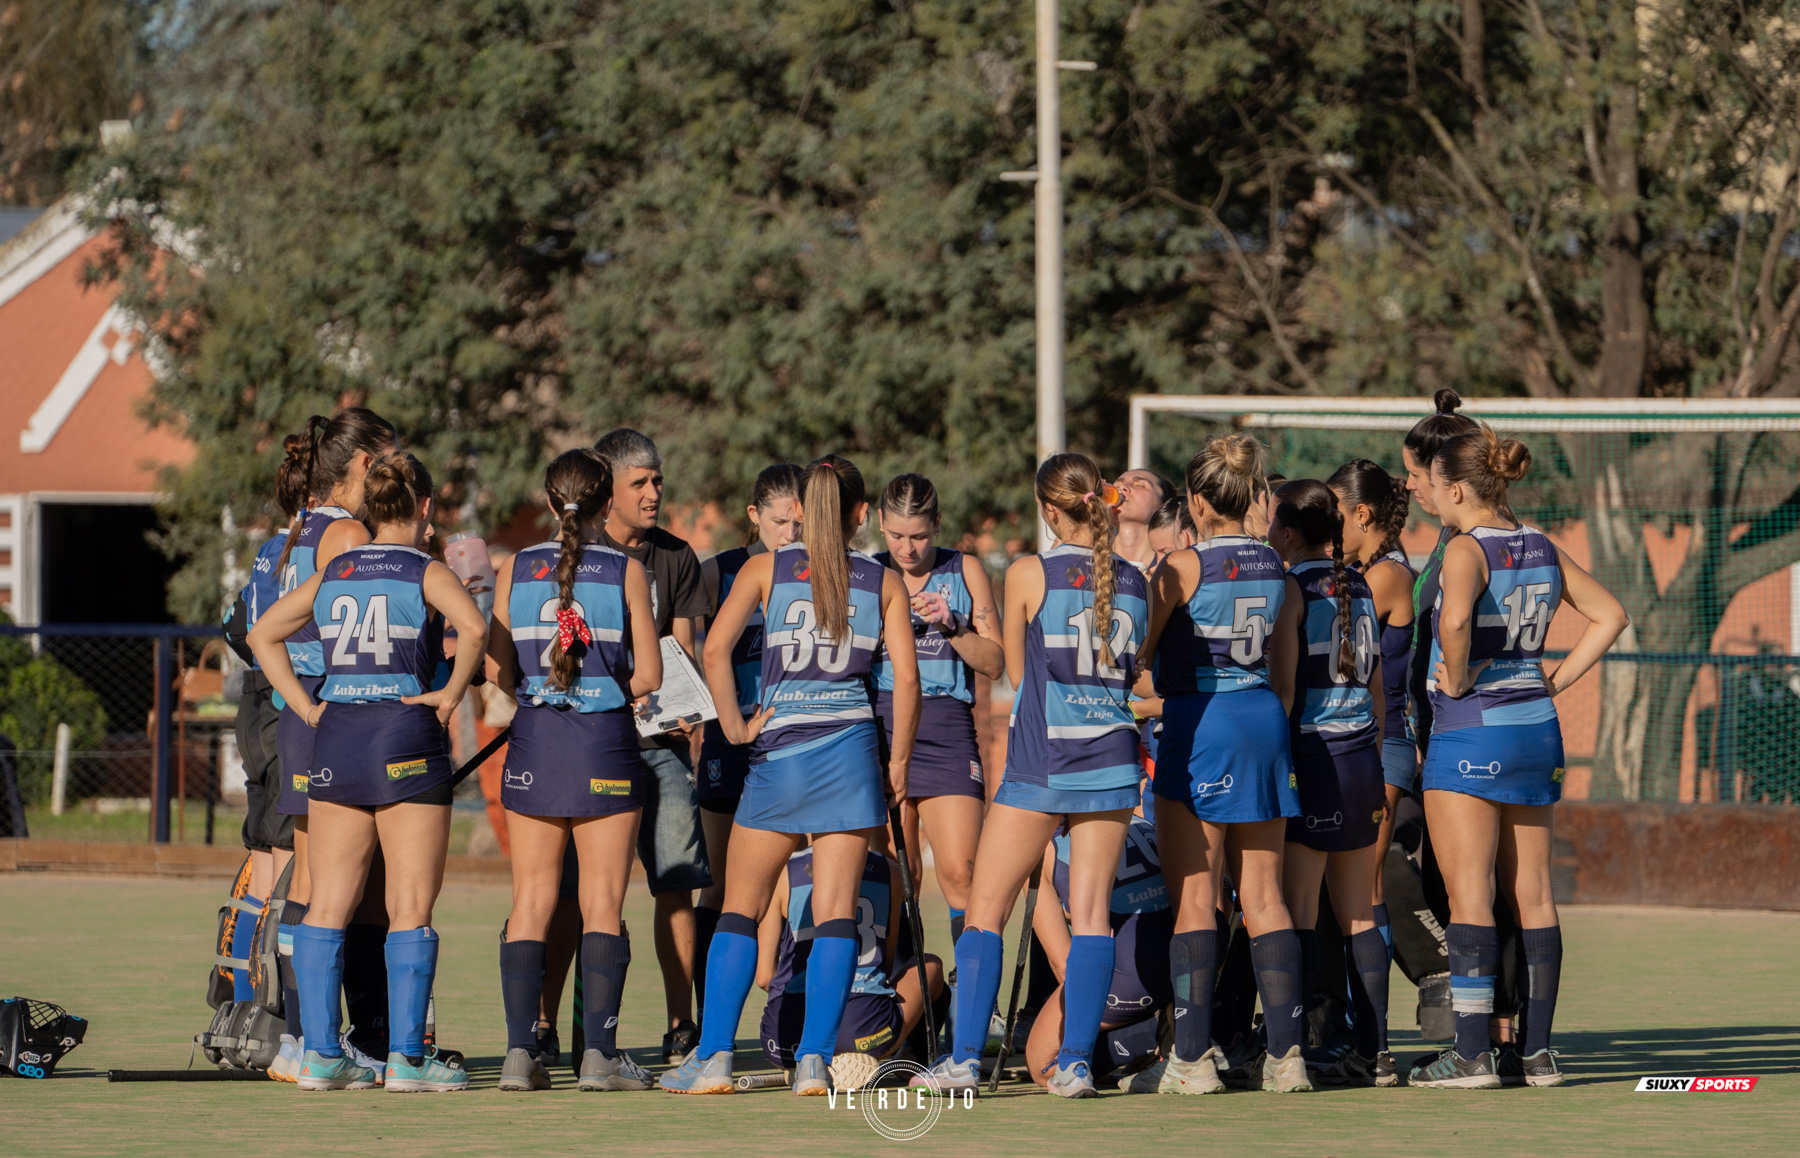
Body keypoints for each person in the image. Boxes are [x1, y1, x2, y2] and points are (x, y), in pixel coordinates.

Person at [663, 454, 920, 1096]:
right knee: (835, 915)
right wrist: (897, 763)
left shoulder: (765, 568)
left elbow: (714, 649)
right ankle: (812, 1061)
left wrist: (734, 727)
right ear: (862, 513)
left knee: (740, 909)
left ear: (800, 509)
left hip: (779, 757)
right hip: (851, 755)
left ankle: (715, 1057)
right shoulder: (883, 581)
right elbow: (908, 682)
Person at [249, 453, 488, 1093]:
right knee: (409, 906)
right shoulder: (425, 569)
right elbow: (472, 627)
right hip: (403, 737)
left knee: (327, 903)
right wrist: (449, 696)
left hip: (337, 737)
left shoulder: (338, 569)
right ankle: (408, 1058)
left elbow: (263, 634)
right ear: (425, 507)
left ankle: (321, 1054)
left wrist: (305, 706)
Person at [915, 453, 1149, 1099]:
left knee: (986, 909)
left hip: (1044, 761)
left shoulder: (1027, 572)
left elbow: (1016, 675)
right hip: (1112, 761)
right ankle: (1075, 1064)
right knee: (1093, 915)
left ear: (1049, 510)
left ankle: (964, 1060)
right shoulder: (1134, 578)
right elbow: (1135, 674)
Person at [1409, 427, 1628, 1089]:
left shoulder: (1465, 548)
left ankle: (1471, 1054)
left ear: (1456, 489)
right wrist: (1553, 682)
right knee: (1533, 893)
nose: (1428, 497)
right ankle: (1536, 1054)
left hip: (1472, 730)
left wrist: (1456, 679)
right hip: (1537, 729)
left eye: (1433, 485)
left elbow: (1454, 623)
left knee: (1470, 894)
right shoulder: (1541, 545)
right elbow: (1611, 616)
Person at [1137, 434, 1310, 1095]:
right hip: (1263, 720)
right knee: (1264, 897)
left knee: (1196, 897)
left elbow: (1139, 654)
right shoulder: (1278, 568)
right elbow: (1285, 677)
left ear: (1199, 502)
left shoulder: (1181, 566)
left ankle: (1191, 1059)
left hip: (1200, 724)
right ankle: (1287, 1057)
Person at [487, 449, 664, 1093]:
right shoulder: (627, 570)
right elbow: (650, 674)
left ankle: (518, 1055)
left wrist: (545, 690)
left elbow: (497, 671)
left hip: (536, 746)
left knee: (531, 901)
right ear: (605, 502)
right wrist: (602, 687)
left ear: (547, 499)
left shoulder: (514, 567)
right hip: (604, 748)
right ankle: (600, 1058)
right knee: (602, 903)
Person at [266, 408, 400, 1081]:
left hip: (300, 714)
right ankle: (325, 1037)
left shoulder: (295, 529)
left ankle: (307, 1037)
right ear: (363, 464)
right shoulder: (347, 532)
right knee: (345, 886)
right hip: (332, 711)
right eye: (391, 460)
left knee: (318, 878)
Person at [592, 428, 717, 1062]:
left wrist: (686, 716)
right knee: (580, 893)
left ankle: (681, 1023)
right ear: (607, 489)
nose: (652, 493)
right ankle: (550, 1028)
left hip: (659, 747)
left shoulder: (676, 555)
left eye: (657, 480)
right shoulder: (580, 553)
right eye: (638, 482)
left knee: (676, 883)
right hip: (589, 745)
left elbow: (681, 651)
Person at [1266, 479, 1395, 1086]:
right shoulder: (1360, 583)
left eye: (1272, 520)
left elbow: (1284, 692)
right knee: (1359, 914)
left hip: (1315, 759)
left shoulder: (1292, 588)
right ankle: (1375, 1054)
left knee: (1295, 911)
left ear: (1289, 532)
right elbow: (1378, 693)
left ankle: (1286, 1051)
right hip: (1362, 757)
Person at [873, 473, 1005, 959]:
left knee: (961, 873)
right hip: (882, 726)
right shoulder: (868, 572)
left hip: (947, 727)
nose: (907, 549)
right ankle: (907, 989)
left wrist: (952, 624)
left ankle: (971, 993)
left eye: (919, 536)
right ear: (879, 523)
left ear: (938, 525)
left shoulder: (964, 569)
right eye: (896, 535)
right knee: (896, 874)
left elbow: (995, 662)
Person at [692, 462, 805, 1023]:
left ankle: (787, 1013)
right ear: (754, 515)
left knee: (795, 883)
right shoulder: (719, 572)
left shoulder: (816, 570)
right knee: (719, 886)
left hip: (796, 740)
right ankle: (705, 1024)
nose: (790, 534)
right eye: (780, 522)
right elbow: (691, 648)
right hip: (731, 738)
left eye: (799, 523)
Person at [218, 443, 309, 1037]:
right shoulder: (309, 549)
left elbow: (234, 625)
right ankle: (271, 1015)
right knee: (286, 868)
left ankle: (242, 1002)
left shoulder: (269, 548)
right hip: (282, 706)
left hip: (252, 703)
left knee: (259, 865)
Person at [754, 841, 947, 1090]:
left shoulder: (784, 871)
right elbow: (885, 966)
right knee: (931, 965)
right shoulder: (889, 871)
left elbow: (764, 977)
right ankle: (913, 1055)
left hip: (783, 1039)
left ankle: (805, 1060)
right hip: (865, 1030)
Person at [1328, 460, 1415, 977]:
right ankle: (1343, 1014)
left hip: (1384, 741)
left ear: (1361, 514)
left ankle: (1369, 1021)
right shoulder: (1366, 571)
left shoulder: (1384, 576)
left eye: (1333, 514)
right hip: (1358, 738)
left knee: (1367, 888)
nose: (1327, 528)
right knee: (1345, 890)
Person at [1031, 787, 1173, 1093]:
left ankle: (1150, 1034)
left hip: (1130, 983)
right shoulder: (1141, 820)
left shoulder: (1043, 847)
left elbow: (1063, 964)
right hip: (1187, 969)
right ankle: (1182, 1024)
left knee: (1043, 1065)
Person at [1112, 469, 1175, 574]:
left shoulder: (1174, 567)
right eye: (1117, 486)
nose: (1122, 487)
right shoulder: (1087, 558)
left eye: (1140, 485)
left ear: (1164, 505)